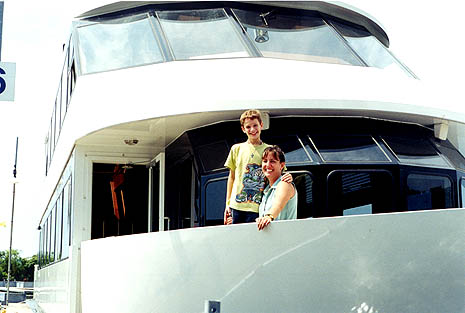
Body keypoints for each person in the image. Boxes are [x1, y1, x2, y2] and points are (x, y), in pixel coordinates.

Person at [224, 109, 291, 224]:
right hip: (236, 207)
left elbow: (280, 173)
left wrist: (289, 177)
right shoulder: (236, 149)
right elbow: (232, 178)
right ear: (243, 129)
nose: (253, 130)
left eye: (255, 125)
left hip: (258, 207)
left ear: (261, 125)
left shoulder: (269, 150)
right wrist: (227, 204)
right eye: (248, 127)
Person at [256, 145, 297, 230]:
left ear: (282, 165)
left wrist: (268, 217)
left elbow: (278, 205)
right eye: (265, 161)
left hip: (285, 238)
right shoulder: (266, 190)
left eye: (272, 161)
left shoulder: (284, 184)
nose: (268, 165)